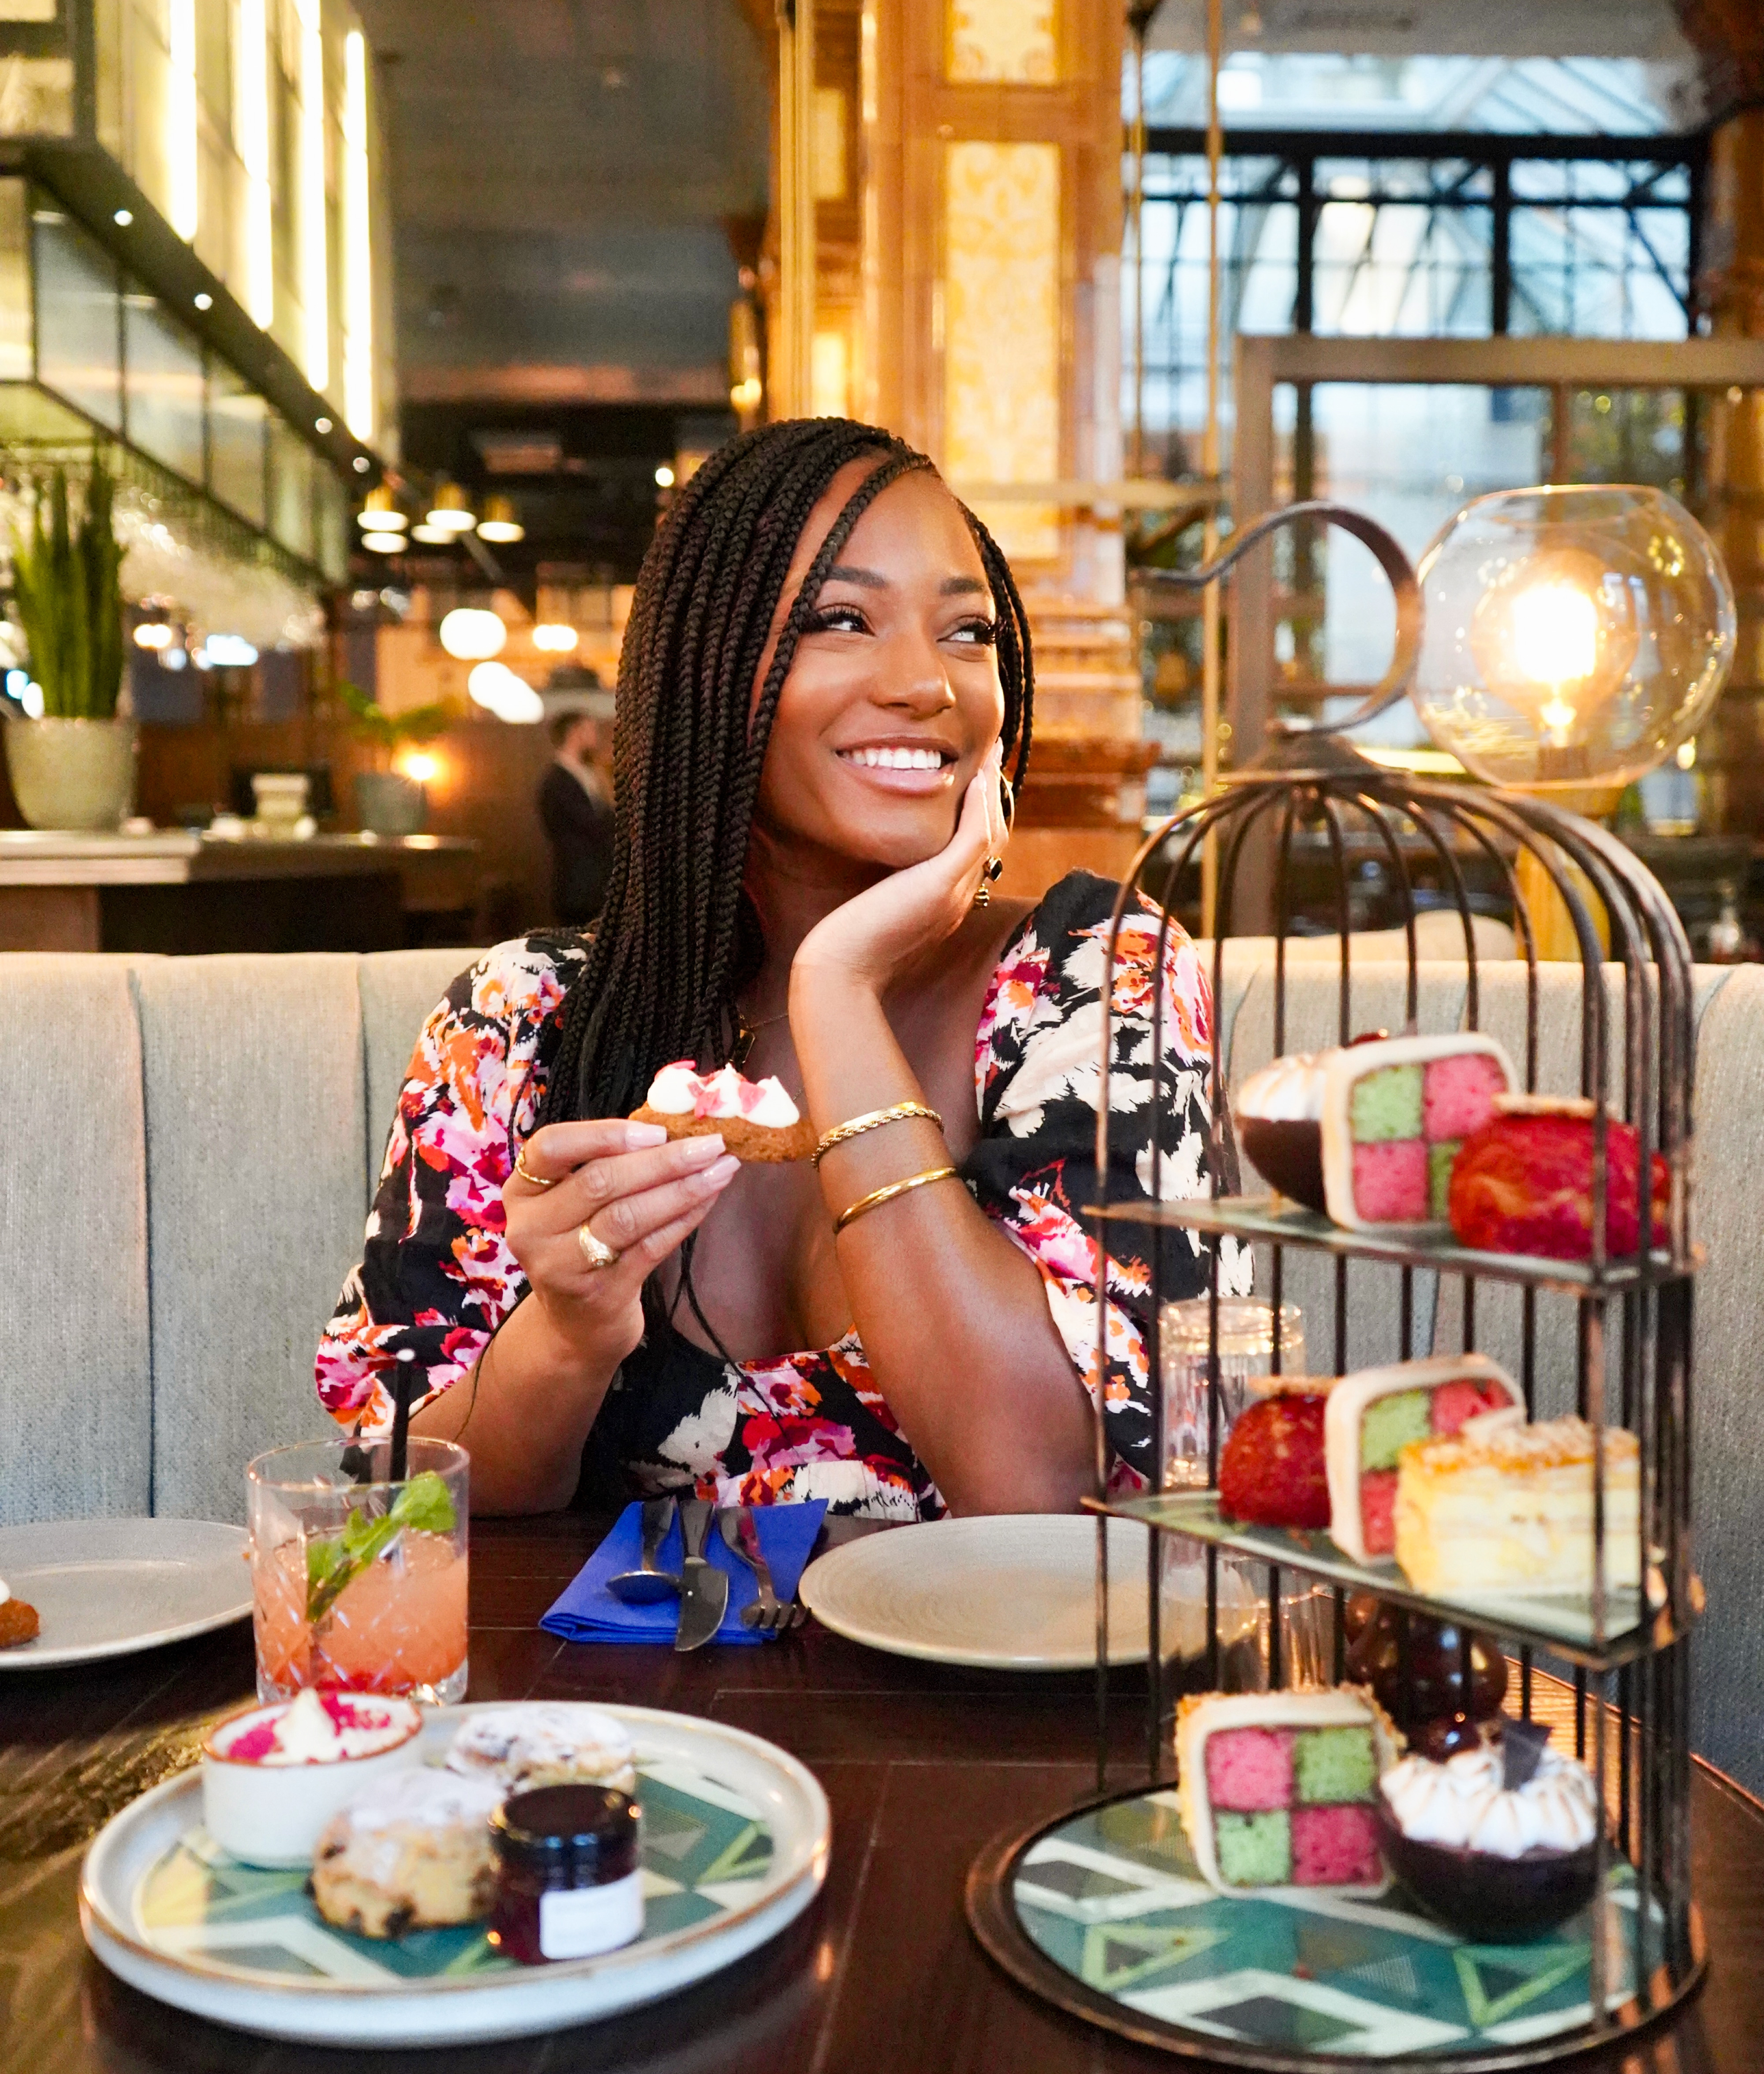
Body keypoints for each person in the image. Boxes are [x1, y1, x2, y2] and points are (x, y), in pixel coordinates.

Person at [317, 419, 1242, 1521]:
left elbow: (1037, 1491)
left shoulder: (1096, 979)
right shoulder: (524, 1023)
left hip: (997, 1696)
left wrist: (837, 986)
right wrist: (566, 1336)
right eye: (841, 620)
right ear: (702, 673)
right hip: (612, 1696)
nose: (927, 684)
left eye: (967, 631)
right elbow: (400, 1501)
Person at [537, 696, 616, 923]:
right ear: (575, 732)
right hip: (579, 884)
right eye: (590, 729)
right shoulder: (557, 780)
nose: (596, 736)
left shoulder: (588, 773)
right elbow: (589, 825)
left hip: (596, 883)